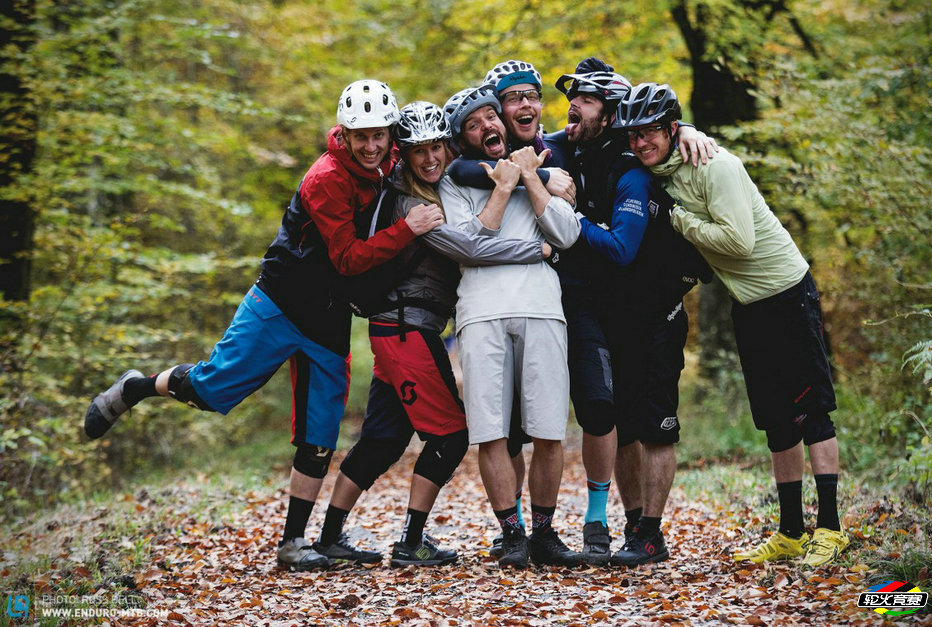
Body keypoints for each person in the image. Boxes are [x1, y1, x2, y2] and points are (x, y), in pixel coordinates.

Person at [82, 80, 446, 571]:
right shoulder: (326, 178)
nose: (372, 145)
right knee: (212, 390)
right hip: (278, 303)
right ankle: (136, 386)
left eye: (380, 135)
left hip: (329, 317)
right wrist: (408, 229)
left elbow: (440, 155)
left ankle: (294, 543)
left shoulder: (390, 163)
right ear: (344, 132)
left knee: (320, 432)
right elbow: (346, 259)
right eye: (361, 136)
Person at [618, 83, 849, 567]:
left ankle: (831, 528)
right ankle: (790, 531)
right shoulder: (661, 169)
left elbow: (738, 242)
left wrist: (680, 220)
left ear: (672, 128)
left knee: (812, 413)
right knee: (775, 420)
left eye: (651, 133)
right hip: (749, 305)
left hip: (786, 292)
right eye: (634, 135)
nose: (642, 143)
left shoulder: (713, 165)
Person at [311, 101, 551, 567]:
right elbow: (471, 247)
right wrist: (537, 249)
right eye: (418, 151)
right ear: (404, 153)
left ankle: (329, 536)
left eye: (435, 147)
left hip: (400, 329)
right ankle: (411, 542)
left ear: (447, 144)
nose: (429, 159)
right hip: (407, 330)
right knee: (451, 436)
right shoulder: (412, 201)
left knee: (383, 439)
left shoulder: (443, 182)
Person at [549, 59, 715, 567]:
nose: (573, 106)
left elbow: (621, 249)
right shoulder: (568, 146)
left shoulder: (634, 159)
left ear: (610, 110)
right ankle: (634, 527)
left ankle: (652, 533)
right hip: (614, 315)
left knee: (658, 427)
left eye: (586, 99)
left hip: (659, 314)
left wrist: (686, 128)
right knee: (621, 427)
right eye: (572, 97)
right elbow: (502, 149)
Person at [438, 84, 582, 569]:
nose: (487, 128)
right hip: (479, 310)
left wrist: (531, 178)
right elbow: (471, 243)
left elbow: (566, 234)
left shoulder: (544, 166)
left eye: (489, 118)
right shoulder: (455, 182)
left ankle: (543, 531)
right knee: (491, 431)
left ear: (502, 119)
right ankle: (511, 531)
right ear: (464, 139)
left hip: (543, 304)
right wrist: (504, 186)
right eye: (473, 126)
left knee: (547, 430)